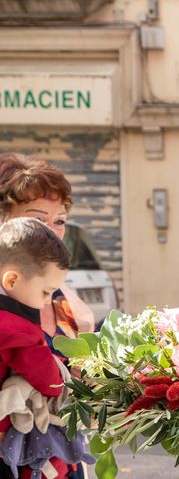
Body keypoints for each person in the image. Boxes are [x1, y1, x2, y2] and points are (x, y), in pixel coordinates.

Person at [0, 153, 95, 478]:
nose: (52, 233)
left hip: (59, 460)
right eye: (38, 220)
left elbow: (80, 396)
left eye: (60, 220)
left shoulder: (65, 304)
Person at [0, 217, 70, 477]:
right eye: (46, 291)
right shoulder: (19, 331)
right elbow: (49, 381)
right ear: (12, 280)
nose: (47, 301)